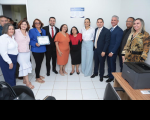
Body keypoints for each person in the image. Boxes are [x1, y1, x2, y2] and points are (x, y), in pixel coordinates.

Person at [15, 20, 34, 89]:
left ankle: (24, 80)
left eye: (25, 24)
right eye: (22, 24)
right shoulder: (16, 31)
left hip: (27, 52)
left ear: (27, 26)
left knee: (27, 65)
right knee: (24, 66)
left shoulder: (27, 32)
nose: (23, 25)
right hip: (19, 52)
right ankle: (28, 83)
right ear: (20, 25)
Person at [105, 15, 123, 83]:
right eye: (112, 20)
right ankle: (109, 74)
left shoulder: (119, 30)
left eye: (114, 20)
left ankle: (112, 77)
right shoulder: (110, 29)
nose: (113, 21)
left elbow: (118, 43)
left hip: (113, 51)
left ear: (117, 21)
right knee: (109, 64)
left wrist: (112, 52)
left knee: (112, 64)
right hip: (108, 50)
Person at [29, 19, 46, 83]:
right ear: (34, 24)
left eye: (39, 23)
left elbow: (44, 38)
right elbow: (29, 40)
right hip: (36, 49)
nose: (37, 24)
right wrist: (35, 43)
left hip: (43, 49)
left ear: (41, 23)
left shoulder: (43, 30)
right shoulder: (32, 31)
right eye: (36, 23)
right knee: (38, 63)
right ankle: (37, 77)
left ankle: (38, 74)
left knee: (40, 63)